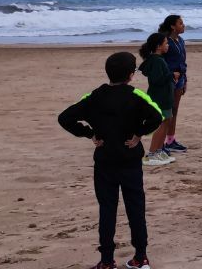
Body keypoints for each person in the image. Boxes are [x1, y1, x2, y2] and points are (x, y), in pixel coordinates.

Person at [58, 51, 164, 269]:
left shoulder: (95, 96)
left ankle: (107, 261)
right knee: (135, 208)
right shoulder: (136, 95)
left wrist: (89, 133)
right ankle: (141, 257)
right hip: (130, 161)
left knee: (107, 209)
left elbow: (65, 117)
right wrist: (139, 133)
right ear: (131, 75)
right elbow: (158, 116)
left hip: (105, 161)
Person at [137, 32, 175, 167]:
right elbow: (156, 80)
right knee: (161, 124)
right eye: (166, 43)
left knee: (167, 122)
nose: (168, 45)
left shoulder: (158, 59)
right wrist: (172, 75)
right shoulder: (157, 61)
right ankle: (152, 153)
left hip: (165, 97)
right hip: (160, 97)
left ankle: (158, 150)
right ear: (158, 46)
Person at [158, 15, 189, 153]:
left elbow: (183, 61)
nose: (183, 25)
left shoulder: (181, 40)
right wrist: (170, 75)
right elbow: (160, 61)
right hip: (169, 79)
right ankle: (160, 144)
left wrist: (185, 79)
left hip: (180, 78)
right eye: (180, 23)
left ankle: (170, 141)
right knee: (166, 112)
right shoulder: (165, 42)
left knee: (174, 110)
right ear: (172, 26)